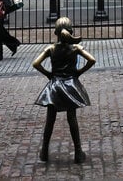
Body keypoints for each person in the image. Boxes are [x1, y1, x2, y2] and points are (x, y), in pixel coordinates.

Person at [32, 17, 96, 164]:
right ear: (71, 30)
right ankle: (78, 153)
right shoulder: (75, 48)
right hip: (71, 85)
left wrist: (49, 74)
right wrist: (79, 72)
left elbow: (36, 63)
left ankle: (44, 152)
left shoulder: (51, 49)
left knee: (50, 120)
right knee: (72, 119)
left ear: (56, 32)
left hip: (55, 86)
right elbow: (92, 60)